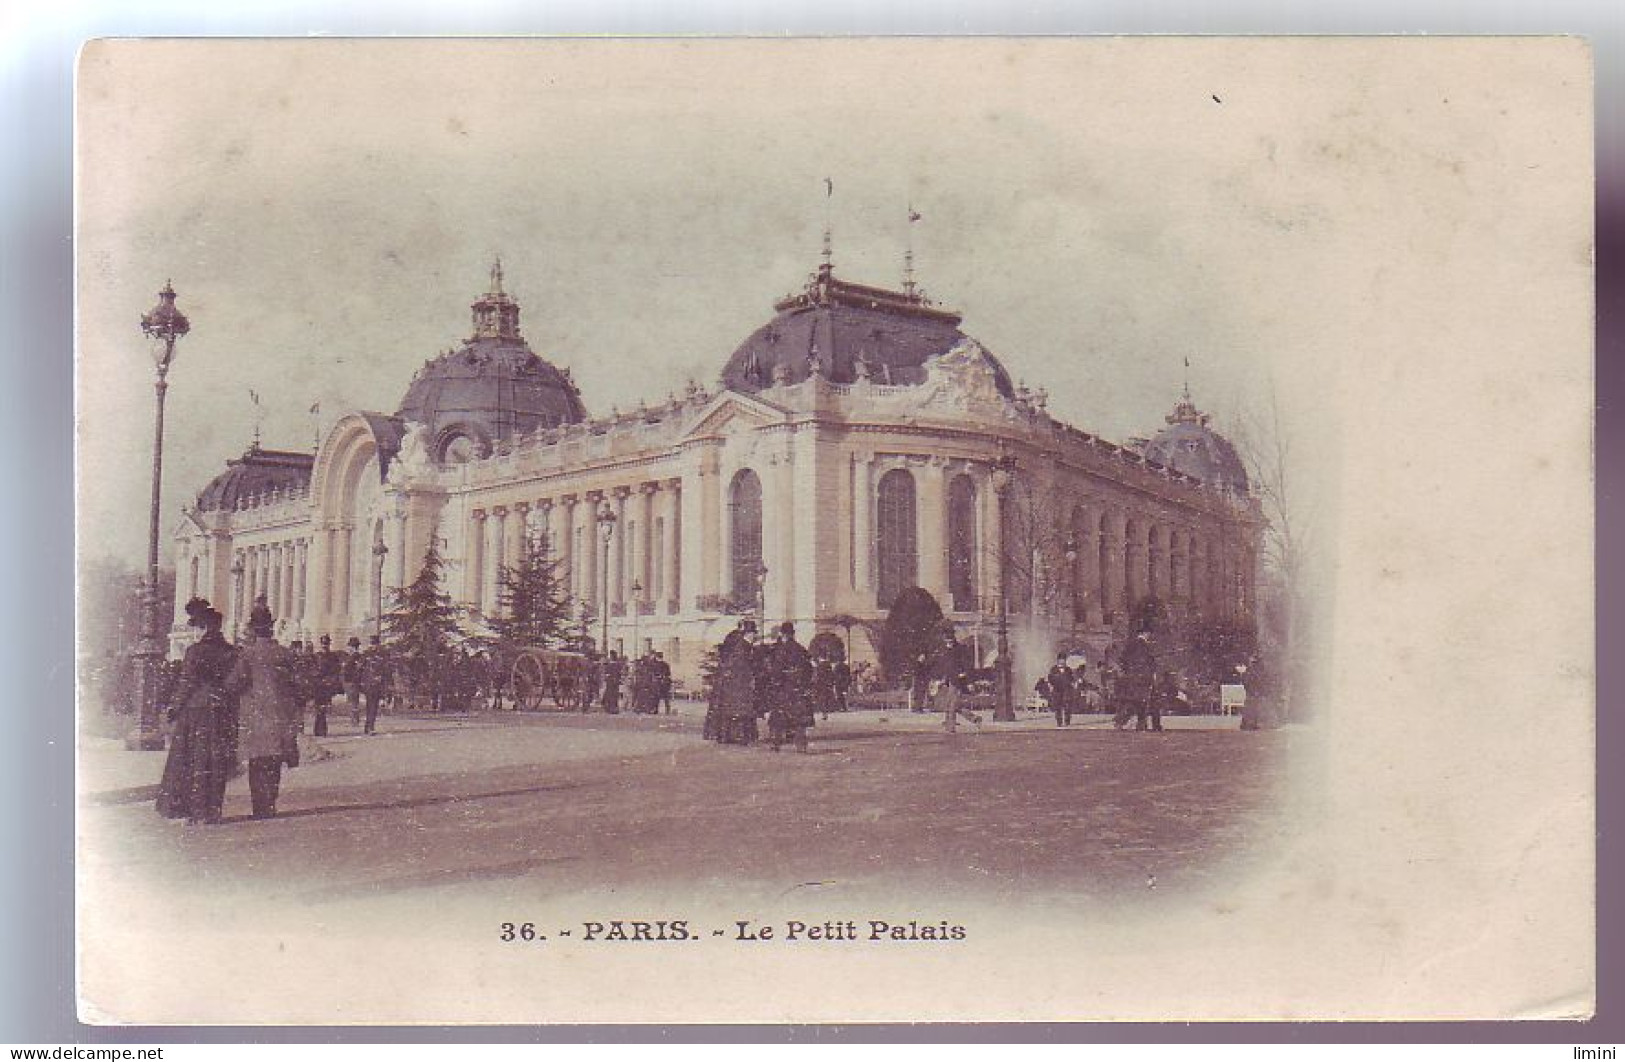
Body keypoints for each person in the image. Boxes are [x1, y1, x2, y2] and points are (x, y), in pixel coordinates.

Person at [155, 601, 239, 825]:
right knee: (216, 759)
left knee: (193, 760)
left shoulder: (195, 651)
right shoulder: (231, 652)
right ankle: (213, 810)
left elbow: (187, 683)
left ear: (202, 628)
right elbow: (235, 684)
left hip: (196, 710)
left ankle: (196, 810)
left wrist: (174, 707)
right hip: (220, 709)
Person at [224, 603, 301, 819]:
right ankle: (270, 803)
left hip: (255, 717)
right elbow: (296, 685)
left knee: (257, 762)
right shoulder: (284, 654)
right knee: (274, 761)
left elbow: (232, 684)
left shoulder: (247, 655)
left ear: (253, 629)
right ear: (271, 627)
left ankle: (259, 806)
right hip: (279, 716)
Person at [764, 622, 814, 753]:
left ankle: (775, 744)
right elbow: (808, 669)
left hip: (782, 687)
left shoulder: (778, 650)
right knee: (798, 718)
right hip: (797, 688)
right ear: (793, 633)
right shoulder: (800, 648)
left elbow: (775, 670)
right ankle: (800, 745)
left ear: (782, 634)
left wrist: (774, 681)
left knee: (778, 717)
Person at [1117, 629, 1158, 732]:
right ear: (1145, 633)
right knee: (1142, 701)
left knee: (1135, 700)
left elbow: (1122, 659)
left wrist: (1128, 672)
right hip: (1143, 678)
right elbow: (1150, 662)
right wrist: (1151, 674)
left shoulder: (1132, 645)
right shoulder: (1144, 646)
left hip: (1133, 678)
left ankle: (1123, 721)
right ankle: (1139, 723)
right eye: (1149, 633)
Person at [361, 636, 391, 734]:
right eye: (372, 644)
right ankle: (369, 727)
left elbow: (387, 669)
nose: (374, 646)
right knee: (370, 705)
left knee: (374, 706)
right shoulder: (366, 654)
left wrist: (383, 679)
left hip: (379, 684)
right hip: (368, 683)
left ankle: (369, 726)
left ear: (379, 644)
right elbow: (361, 669)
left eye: (376, 644)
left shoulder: (383, 655)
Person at [313, 634, 342, 736]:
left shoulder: (333, 657)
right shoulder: (316, 656)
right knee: (318, 707)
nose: (325, 646)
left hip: (327, 685)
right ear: (321, 644)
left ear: (329, 644)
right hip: (318, 685)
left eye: (326, 644)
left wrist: (332, 681)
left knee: (323, 708)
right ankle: (318, 729)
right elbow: (312, 670)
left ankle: (321, 729)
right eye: (323, 644)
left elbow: (336, 670)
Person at [1044, 655, 1076, 727]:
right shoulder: (1053, 669)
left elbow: (1072, 679)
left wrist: (1073, 684)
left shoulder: (1068, 669)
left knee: (1067, 705)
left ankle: (1067, 721)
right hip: (1057, 689)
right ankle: (1059, 721)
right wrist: (1050, 686)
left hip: (1066, 689)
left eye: (1064, 660)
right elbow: (1050, 678)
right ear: (1058, 660)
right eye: (1061, 660)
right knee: (1058, 706)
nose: (1062, 661)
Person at [341, 637, 365, 726]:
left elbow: (354, 669)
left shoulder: (356, 656)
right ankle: (354, 720)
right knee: (352, 701)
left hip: (352, 681)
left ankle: (354, 721)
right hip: (350, 681)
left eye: (350, 646)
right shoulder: (352, 656)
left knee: (353, 701)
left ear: (353, 647)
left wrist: (344, 666)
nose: (349, 648)